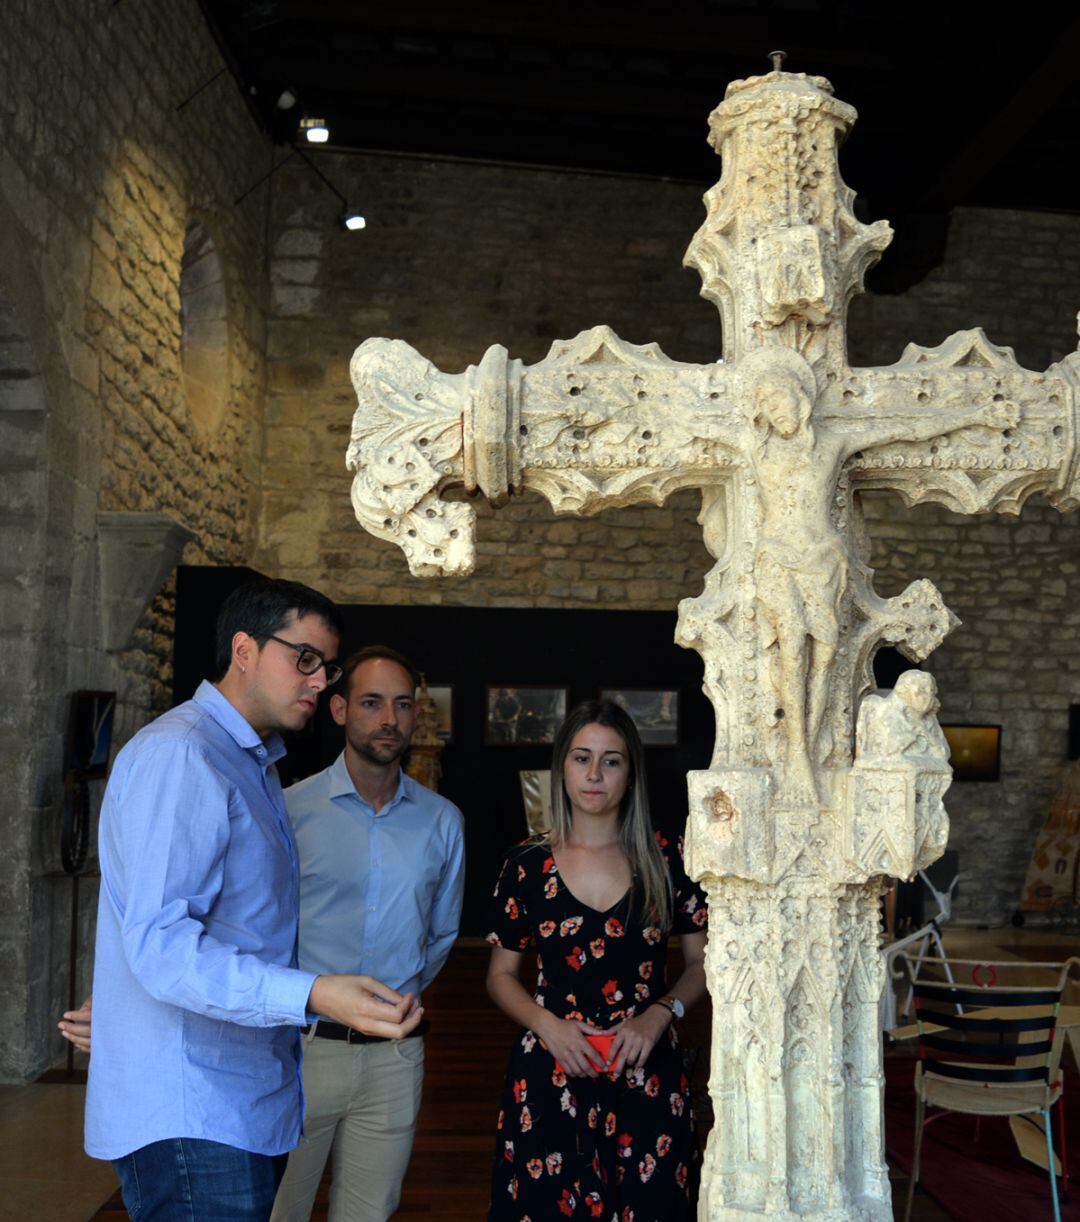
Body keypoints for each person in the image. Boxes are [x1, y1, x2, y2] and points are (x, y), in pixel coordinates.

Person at [79, 579, 422, 1221]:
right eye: (305, 659)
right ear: (244, 649)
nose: (322, 683)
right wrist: (315, 994)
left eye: (328, 666)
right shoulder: (184, 754)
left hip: (233, 1101)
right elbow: (162, 948)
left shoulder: (248, 760)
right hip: (194, 1112)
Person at [484, 699, 708, 1220]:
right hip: (552, 1070)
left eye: (612, 760)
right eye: (582, 757)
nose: (595, 774)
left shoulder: (667, 856)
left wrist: (660, 1014)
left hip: (646, 1068)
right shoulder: (526, 864)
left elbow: (704, 963)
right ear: (562, 767)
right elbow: (500, 977)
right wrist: (548, 1026)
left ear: (631, 774)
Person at [270, 645, 465, 1222]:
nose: (389, 720)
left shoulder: (442, 820)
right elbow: (263, 929)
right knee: (279, 1210)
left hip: (393, 1058)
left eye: (402, 705)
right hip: (299, 1054)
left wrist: (392, 999)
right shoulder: (289, 811)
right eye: (372, 703)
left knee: (369, 1214)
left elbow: (442, 935)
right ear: (338, 710)